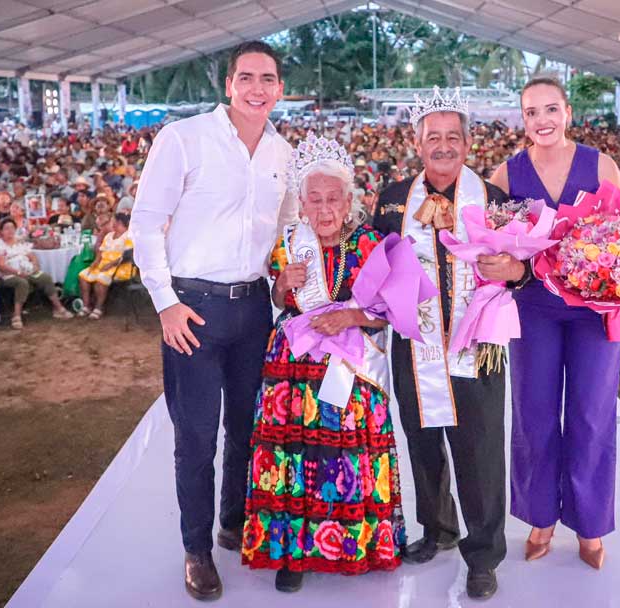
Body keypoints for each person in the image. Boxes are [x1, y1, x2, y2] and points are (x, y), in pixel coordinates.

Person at [127, 41, 296, 601]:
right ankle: (196, 549)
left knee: (248, 429)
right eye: (246, 77)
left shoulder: (282, 154)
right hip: (192, 307)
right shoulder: (184, 138)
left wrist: (287, 278)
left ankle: (233, 521)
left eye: (267, 79)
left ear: (279, 89)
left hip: (254, 308)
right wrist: (165, 302)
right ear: (228, 85)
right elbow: (145, 223)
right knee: (196, 437)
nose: (256, 88)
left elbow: (286, 228)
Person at [240, 135, 404, 592]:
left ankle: (354, 545)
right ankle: (292, 553)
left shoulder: (370, 243)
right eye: (315, 199)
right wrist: (281, 285)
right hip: (293, 370)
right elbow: (279, 302)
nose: (325, 208)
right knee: (294, 457)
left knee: (345, 453)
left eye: (334, 199)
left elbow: (390, 310)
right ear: (302, 204)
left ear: (349, 201)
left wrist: (350, 316)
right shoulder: (290, 243)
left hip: (349, 367)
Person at [374, 86, 507, 599]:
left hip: (478, 346)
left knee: (480, 450)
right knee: (423, 440)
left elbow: (523, 271)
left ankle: (484, 554)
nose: (444, 146)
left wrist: (514, 270)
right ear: (417, 142)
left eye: (454, 136)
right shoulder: (392, 198)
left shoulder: (494, 201)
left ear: (468, 144)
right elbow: (373, 262)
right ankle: (437, 528)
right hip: (415, 345)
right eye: (434, 137)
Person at [489, 75, 620, 571]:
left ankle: (590, 524)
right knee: (535, 413)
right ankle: (540, 518)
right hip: (534, 308)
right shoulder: (506, 175)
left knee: (591, 415)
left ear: (567, 112)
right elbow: (493, 241)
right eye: (531, 112)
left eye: (550, 109)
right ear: (522, 119)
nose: (542, 120)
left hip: (592, 310)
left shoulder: (601, 164)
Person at [0, 218, 73, 329]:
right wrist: (18, 272)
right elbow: (0, 265)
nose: (10, 231)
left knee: (45, 278)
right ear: (1, 231)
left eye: (12, 228)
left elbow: (32, 257)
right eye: (6, 228)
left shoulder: (20, 242)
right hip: (7, 274)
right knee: (22, 282)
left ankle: (58, 308)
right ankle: (16, 315)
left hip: (26, 270)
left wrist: (35, 266)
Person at [77, 213, 134, 320]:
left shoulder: (128, 236)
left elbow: (127, 256)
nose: (111, 223)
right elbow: (101, 251)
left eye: (112, 221)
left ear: (119, 222)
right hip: (103, 264)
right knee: (83, 275)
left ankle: (99, 308)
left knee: (101, 278)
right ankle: (86, 306)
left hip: (120, 266)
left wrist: (110, 264)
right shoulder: (109, 236)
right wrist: (96, 261)